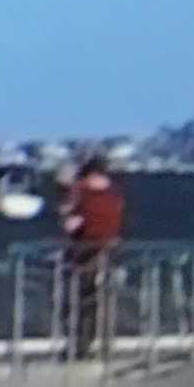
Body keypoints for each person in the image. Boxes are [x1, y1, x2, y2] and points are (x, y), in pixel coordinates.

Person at [59, 153, 125, 359]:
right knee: (98, 301)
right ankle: (97, 343)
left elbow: (71, 223)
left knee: (78, 301)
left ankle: (79, 344)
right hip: (108, 254)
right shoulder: (114, 196)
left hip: (83, 255)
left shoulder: (81, 194)